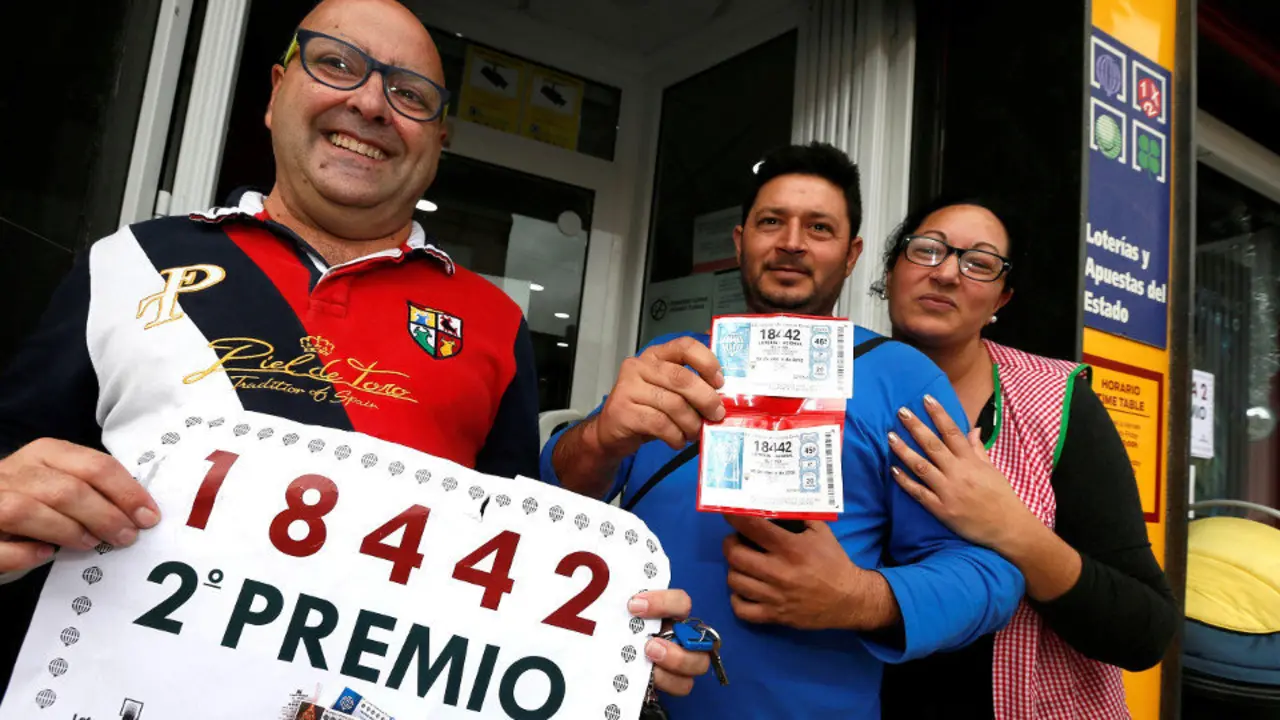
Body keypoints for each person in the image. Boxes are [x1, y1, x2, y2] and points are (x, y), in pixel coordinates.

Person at [0, 0, 706, 698]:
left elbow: (508, 561)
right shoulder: (134, 262)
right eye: (336, 64)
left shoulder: (494, 322)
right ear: (276, 94)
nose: (371, 104)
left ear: (438, 142)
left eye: (410, 94)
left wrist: (609, 645)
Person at [540, 142, 1025, 718]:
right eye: (772, 221)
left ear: (851, 256)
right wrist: (599, 438)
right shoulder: (674, 360)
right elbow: (552, 496)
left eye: (819, 228)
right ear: (741, 241)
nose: (792, 241)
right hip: (620, 700)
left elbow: (989, 576)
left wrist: (860, 597)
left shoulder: (901, 378)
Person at [874, 197, 1178, 719]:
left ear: (1002, 298)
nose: (946, 273)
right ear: (892, 269)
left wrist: (1011, 527)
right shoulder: (839, 390)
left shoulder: (1056, 403)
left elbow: (1144, 630)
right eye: (926, 250)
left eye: (980, 264)